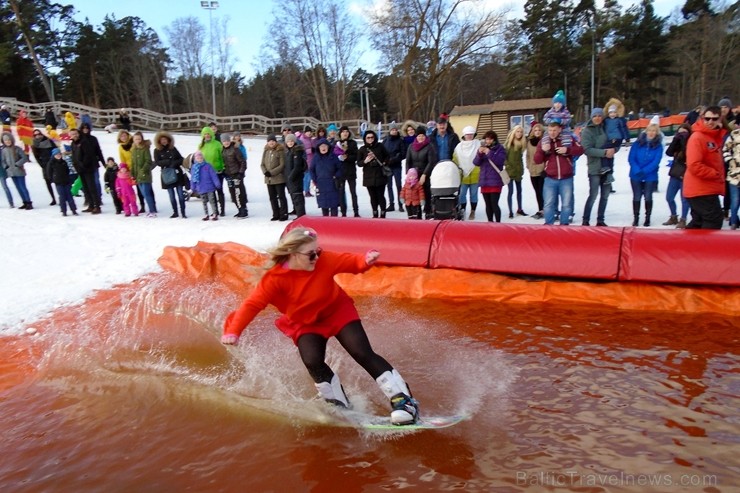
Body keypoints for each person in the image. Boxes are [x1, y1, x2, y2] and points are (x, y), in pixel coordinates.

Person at [221, 227, 420, 425]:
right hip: (306, 322)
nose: (316, 257)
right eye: (310, 254)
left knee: (361, 351)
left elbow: (349, 261)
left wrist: (364, 261)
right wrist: (234, 331)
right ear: (293, 254)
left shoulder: (323, 260)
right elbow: (252, 305)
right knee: (312, 360)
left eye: (318, 251)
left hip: (337, 311)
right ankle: (338, 403)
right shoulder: (274, 279)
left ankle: (404, 401)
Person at [684, 106, 727, 229]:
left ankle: (689, 247)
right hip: (701, 189)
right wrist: (715, 174)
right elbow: (694, 164)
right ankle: (705, 247)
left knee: (699, 222)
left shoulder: (713, 136)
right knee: (713, 220)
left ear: (720, 119)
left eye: (714, 119)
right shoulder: (698, 137)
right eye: (707, 119)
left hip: (704, 188)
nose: (710, 122)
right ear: (702, 118)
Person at [533, 120, 584, 225]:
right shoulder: (544, 141)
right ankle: (549, 225)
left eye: (554, 130)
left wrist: (567, 150)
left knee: (566, 204)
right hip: (550, 178)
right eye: (550, 130)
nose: (552, 133)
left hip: (566, 178)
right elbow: (537, 160)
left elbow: (580, 150)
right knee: (548, 204)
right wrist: (543, 150)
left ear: (560, 129)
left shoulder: (568, 139)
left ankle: (564, 226)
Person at [581, 108, 614, 226]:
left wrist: (613, 150)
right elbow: (586, 149)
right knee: (593, 195)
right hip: (595, 168)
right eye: (595, 116)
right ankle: (586, 219)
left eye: (600, 116)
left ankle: (600, 219)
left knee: (605, 195)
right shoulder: (587, 131)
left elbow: (614, 142)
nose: (597, 118)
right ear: (591, 117)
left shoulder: (606, 128)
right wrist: (604, 152)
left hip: (607, 167)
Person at [628, 123, 663, 227]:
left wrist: (645, 171)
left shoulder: (658, 146)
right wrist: (637, 169)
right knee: (637, 196)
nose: (651, 133)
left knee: (648, 196)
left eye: (654, 131)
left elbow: (656, 161)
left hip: (650, 175)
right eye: (650, 130)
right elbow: (631, 158)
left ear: (657, 133)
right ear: (646, 131)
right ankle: (636, 217)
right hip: (635, 174)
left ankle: (647, 217)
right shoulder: (637, 143)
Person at [473, 130, 507, 222]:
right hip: (484, 181)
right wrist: (480, 154)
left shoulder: (500, 148)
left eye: (490, 139)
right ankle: (490, 223)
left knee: (494, 204)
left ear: (494, 140)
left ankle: (498, 223)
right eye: (486, 139)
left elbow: (500, 161)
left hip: (495, 181)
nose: (488, 141)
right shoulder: (482, 148)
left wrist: (489, 153)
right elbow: (476, 162)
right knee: (487, 205)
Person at [70, 126, 104, 214]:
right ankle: (91, 205)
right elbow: (73, 156)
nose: (74, 136)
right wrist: (76, 166)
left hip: (88, 168)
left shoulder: (84, 142)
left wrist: (83, 164)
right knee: (85, 188)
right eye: (72, 134)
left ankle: (97, 206)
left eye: (75, 134)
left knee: (92, 187)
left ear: (78, 134)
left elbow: (88, 155)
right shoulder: (73, 144)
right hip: (80, 169)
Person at [663, 123, 692, 228]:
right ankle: (673, 216)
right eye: (680, 132)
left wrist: (684, 140)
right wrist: (676, 139)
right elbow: (669, 152)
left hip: (686, 174)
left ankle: (683, 219)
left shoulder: (691, 142)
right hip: (675, 173)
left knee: (684, 199)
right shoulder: (677, 142)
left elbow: (687, 154)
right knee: (669, 197)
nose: (682, 134)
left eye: (684, 132)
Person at [155, 131, 188, 219]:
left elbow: (181, 159)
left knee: (180, 194)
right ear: (159, 141)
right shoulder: (157, 150)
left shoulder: (173, 148)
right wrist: (167, 162)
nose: (164, 141)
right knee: (171, 195)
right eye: (162, 140)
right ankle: (175, 212)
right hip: (167, 175)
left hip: (177, 173)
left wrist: (174, 163)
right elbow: (157, 162)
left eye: (165, 139)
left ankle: (183, 212)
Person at [357, 130, 390, 218]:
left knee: (380, 195)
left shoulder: (380, 146)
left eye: (372, 137)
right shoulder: (362, 149)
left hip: (380, 174)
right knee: (372, 196)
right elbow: (359, 163)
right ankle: (375, 213)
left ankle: (383, 213)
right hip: (368, 176)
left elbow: (387, 156)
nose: (370, 139)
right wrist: (365, 161)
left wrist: (384, 162)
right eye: (368, 138)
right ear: (365, 139)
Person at [406, 126, 437, 218]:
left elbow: (431, 162)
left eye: (422, 136)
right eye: (419, 136)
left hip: (425, 173)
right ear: (416, 136)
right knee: (415, 195)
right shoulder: (411, 146)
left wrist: (424, 175)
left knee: (426, 194)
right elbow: (408, 161)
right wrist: (408, 174)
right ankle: (417, 214)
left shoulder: (429, 146)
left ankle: (428, 212)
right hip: (413, 175)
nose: (421, 138)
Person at [452, 126, 480, 220]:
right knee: (462, 194)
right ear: (464, 135)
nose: (469, 136)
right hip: (463, 175)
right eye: (467, 134)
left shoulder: (478, 144)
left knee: (474, 194)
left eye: (471, 134)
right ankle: (463, 210)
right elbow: (455, 159)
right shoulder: (459, 147)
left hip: (475, 174)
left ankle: (473, 211)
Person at [310, 138, 343, 217]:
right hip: (321, 184)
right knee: (324, 205)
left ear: (328, 147)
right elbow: (311, 170)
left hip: (332, 183)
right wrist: (315, 180)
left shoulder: (333, 157)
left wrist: (336, 176)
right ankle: (325, 223)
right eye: (321, 146)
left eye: (325, 146)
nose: (323, 148)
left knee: (333, 205)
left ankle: (334, 223)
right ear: (318, 148)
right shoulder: (315, 158)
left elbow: (340, 168)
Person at [198, 125, 225, 216]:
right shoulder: (201, 146)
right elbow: (198, 159)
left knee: (219, 190)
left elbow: (222, 157)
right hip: (206, 172)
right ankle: (215, 210)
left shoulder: (217, 144)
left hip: (217, 170)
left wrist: (223, 167)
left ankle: (222, 209)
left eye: (208, 134)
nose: (207, 135)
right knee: (211, 192)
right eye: (205, 134)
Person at [1, 132, 32, 209]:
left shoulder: (17, 148)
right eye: (5, 140)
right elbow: (3, 160)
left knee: (22, 187)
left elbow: (24, 158)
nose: (7, 141)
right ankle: (24, 202)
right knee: (18, 187)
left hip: (19, 171)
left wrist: (17, 164)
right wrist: (6, 167)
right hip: (11, 172)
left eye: (8, 140)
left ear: (11, 140)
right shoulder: (4, 150)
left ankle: (28, 202)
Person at [220, 133, 248, 219]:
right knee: (233, 193)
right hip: (229, 175)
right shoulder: (223, 150)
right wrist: (224, 171)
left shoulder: (235, 149)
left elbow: (243, 162)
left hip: (237, 174)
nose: (226, 143)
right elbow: (224, 162)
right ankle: (239, 209)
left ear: (230, 140)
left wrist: (241, 173)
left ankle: (243, 210)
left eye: (227, 141)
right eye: (224, 141)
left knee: (238, 193)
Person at [261, 134, 288, 221]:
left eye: (273, 141)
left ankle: (283, 213)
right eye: (270, 141)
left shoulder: (280, 150)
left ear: (276, 142)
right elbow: (262, 164)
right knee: (272, 197)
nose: (271, 143)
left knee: (281, 196)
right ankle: (275, 213)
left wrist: (272, 172)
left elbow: (282, 164)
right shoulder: (266, 151)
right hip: (268, 179)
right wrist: (265, 172)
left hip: (279, 178)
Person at [130, 131, 157, 217]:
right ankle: (151, 209)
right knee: (143, 193)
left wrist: (143, 170)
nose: (137, 140)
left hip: (145, 175)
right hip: (137, 176)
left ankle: (152, 211)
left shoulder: (145, 148)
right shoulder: (134, 150)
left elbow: (148, 161)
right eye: (136, 139)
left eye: (139, 138)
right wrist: (133, 174)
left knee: (147, 193)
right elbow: (133, 163)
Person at [601, 98, 631, 176]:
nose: (612, 114)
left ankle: (606, 166)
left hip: (616, 139)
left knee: (604, 150)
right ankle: (608, 169)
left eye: (614, 112)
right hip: (608, 139)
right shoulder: (606, 120)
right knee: (608, 153)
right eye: (611, 113)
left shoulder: (620, 120)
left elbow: (624, 129)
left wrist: (627, 139)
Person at [336, 125, 360, 217]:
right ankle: (343, 213)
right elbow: (334, 156)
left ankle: (356, 211)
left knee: (353, 192)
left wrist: (347, 157)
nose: (345, 133)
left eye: (346, 131)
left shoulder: (353, 143)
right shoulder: (337, 143)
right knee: (341, 193)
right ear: (340, 133)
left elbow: (356, 156)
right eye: (343, 132)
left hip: (350, 171)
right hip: (340, 171)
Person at [504, 125, 527, 218]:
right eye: (518, 131)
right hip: (510, 172)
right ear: (514, 132)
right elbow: (504, 158)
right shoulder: (508, 145)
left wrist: (521, 168)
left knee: (519, 191)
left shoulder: (521, 144)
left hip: (518, 171)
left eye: (521, 132)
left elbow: (520, 158)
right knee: (510, 191)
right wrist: (508, 166)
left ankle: (520, 209)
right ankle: (510, 211)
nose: (519, 133)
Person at [190, 150, 221, 221]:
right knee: (204, 202)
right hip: (200, 187)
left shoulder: (208, 166)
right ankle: (206, 214)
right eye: (198, 158)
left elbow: (213, 175)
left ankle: (215, 214)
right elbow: (192, 178)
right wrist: (192, 187)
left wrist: (217, 183)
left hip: (209, 187)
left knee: (212, 201)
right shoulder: (194, 167)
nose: (199, 159)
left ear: (203, 158)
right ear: (195, 159)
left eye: (201, 158)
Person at [382, 122, 405, 213]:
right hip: (388, 166)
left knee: (398, 185)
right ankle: (391, 204)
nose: (394, 131)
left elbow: (403, 153)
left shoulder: (400, 140)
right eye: (392, 130)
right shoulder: (385, 141)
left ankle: (400, 204)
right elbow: (382, 152)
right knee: (389, 186)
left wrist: (395, 159)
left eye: (395, 130)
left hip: (397, 166)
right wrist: (386, 161)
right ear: (390, 130)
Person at [48, 148, 78, 216]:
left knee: (69, 196)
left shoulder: (64, 162)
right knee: (62, 197)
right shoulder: (51, 163)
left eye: (59, 154)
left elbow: (67, 170)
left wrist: (68, 178)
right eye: (56, 154)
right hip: (58, 182)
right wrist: (53, 179)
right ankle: (64, 210)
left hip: (66, 181)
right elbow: (49, 172)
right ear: (53, 155)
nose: (58, 155)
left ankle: (73, 209)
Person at [31, 128, 57, 205]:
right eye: (36, 135)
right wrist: (42, 165)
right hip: (45, 165)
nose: (38, 136)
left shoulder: (49, 141)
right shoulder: (34, 145)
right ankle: (53, 199)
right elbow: (36, 157)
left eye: (39, 134)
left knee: (57, 180)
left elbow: (55, 149)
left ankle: (62, 196)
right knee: (47, 181)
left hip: (53, 163)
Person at [284, 133, 307, 218]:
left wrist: (291, 177)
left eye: (291, 141)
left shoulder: (297, 151)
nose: (290, 143)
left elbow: (297, 167)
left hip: (295, 179)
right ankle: (299, 214)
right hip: (290, 179)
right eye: (288, 141)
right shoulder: (289, 152)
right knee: (294, 198)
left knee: (298, 198)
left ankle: (301, 216)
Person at [525, 123, 545, 219]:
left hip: (542, 170)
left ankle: (546, 209)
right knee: (537, 191)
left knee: (542, 191)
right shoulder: (529, 142)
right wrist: (528, 166)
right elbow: (528, 155)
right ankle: (540, 209)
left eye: (539, 130)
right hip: (533, 170)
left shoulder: (544, 141)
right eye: (535, 130)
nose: (537, 132)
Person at [724, 127, 740, 230]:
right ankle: (734, 222)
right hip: (734, 174)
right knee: (735, 200)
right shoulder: (734, 134)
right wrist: (730, 160)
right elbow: (725, 150)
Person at [296, 126, 315, 198]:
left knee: (309, 177)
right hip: (306, 161)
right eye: (308, 132)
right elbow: (302, 150)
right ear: (305, 132)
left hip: (311, 160)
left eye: (310, 132)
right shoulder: (302, 139)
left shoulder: (310, 139)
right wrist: (310, 150)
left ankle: (307, 190)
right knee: (307, 177)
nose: (309, 133)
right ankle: (305, 190)